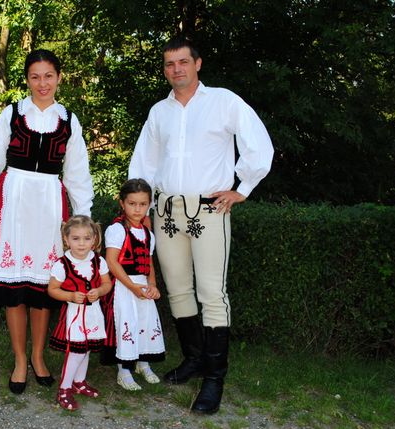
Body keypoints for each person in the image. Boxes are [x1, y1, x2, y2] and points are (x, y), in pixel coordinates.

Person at [129, 35, 274, 414]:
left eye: (182, 62)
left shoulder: (224, 102)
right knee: (178, 289)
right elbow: (144, 161)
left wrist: (242, 188)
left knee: (212, 293)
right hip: (165, 212)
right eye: (169, 64)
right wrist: (139, 208)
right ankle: (194, 359)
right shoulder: (159, 112)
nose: (175, 69)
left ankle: (214, 376)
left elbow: (259, 144)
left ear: (197, 64)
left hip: (209, 210)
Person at [0, 49, 93, 395]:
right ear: (27, 79)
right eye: (35, 76)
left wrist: (82, 221)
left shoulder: (69, 121)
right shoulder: (12, 114)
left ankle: (39, 357)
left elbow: (78, 174)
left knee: (43, 288)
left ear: (59, 78)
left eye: (48, 76)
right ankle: (20, 360)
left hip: (49, 207)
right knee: (15, 291)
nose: (42, 83)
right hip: (13, 204)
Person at [102, 178, 165, 391]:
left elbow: (149, 262)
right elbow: (112, 261)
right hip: (124, 286)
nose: (137, 209)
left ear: (149, 205)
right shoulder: (117, 229)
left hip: (142, 285)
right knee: (126, 324)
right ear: (122, 203)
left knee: (145, 323)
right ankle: (124, 370)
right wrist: (131, 286)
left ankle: (143, 364)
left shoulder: (148, 234)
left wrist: (152, 285)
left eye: (142, 204)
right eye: (132, 203)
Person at [48, 215, 112, 411]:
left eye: (86, 238)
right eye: (76, 238)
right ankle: (64, 388)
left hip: (93, 314)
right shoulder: (62, 264)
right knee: (76, 352)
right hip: (74, 315)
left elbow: (107, 284)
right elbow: (52, 289)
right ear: (66, 240)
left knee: (87, 349)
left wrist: (99, 291)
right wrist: (69, 295)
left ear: (94, 240)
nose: (81, 243)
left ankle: (79, 382)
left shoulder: (99, 261)